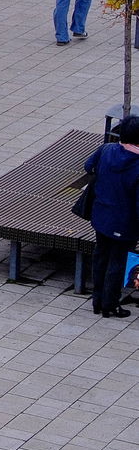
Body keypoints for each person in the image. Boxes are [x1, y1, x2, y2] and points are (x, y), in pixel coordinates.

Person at [83, 115, 139, 317]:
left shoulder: (106, 150)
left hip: (102, 216)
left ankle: (97, 301)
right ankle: (110, 304)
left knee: (101, 257)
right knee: (118, 262)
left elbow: (88, 166)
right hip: (125, 224)